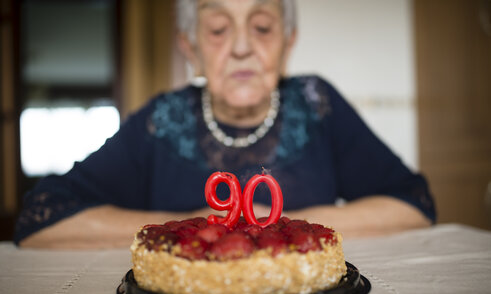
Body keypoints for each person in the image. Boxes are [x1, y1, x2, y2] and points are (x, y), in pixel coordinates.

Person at [15, 0, 435, 248]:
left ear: (287, 44)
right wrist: (193, 225)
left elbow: (415, 206)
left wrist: (277, 224)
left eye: (263, 27)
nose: (240, 48)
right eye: (217, 29)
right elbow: (39, 221)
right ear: (190, 47)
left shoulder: (317, 102)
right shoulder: (160, 119)